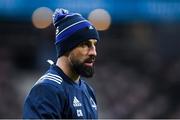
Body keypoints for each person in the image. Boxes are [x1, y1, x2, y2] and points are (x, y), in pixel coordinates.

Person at [23, 8, 100, 119]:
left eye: (94, 45)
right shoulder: (47, 89)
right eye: (85, 45)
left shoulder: (88, 90)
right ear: (67, 47)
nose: (93, 52)